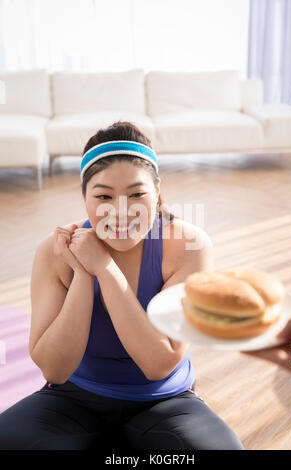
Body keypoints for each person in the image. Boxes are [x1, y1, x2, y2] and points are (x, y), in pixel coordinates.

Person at [0, 121, 244, 450]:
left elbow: (159, 364)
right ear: (84, 197)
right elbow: (55, 370)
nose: (121, 211)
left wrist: (103, 266)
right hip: (74, 400)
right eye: (103, 195)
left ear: (157, 192)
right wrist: (83, 273)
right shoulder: (54, 251)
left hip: (164, 403)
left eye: (137, 194)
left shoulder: (188, 245)